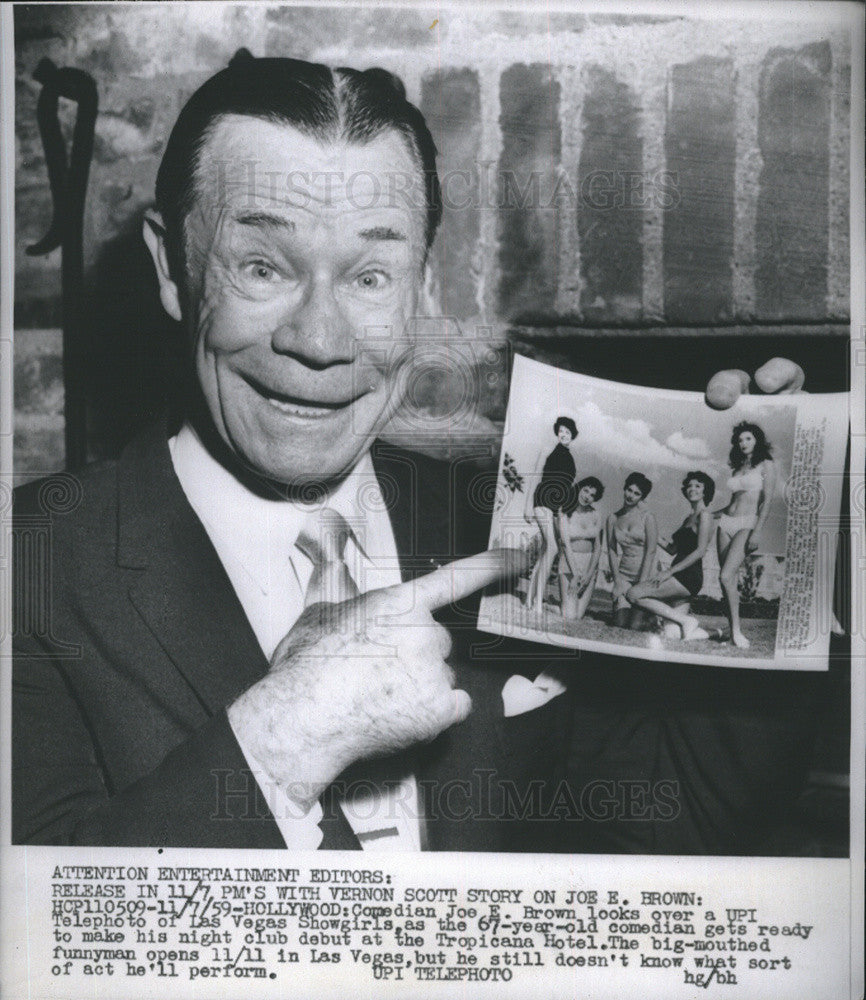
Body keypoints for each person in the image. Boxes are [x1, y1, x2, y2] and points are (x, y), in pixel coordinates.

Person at [12, 53, 817, 856]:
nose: (319, 343)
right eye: (262, 266)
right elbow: (38, 940)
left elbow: (679, 817)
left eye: (370, 277)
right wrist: (284, 739)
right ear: (171, 266)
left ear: (422, 287)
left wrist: (797, 545)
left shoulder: (499, 524)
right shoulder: (32, 562)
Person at [626, 471, 716, 641]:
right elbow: (673, 550)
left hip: (687, 576)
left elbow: (700, 551)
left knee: (633, 594)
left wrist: (669, 572)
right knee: (672, 634)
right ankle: (718, 633)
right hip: (680, 576)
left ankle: (687, 620)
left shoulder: (705, 515)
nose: (692, 489)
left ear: (705, 491)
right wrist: (651, 533)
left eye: (697, 486)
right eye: (689, 486)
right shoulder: (688, 518)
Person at [714, 422, 777, 648]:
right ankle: (732, 633)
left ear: (757, 440)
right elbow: (732, 503)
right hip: (726, 523)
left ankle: (738, 632)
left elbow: (767, 501)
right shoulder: (737, 468)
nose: (743, 443)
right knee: (726, 582)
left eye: (748, 439)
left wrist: (757, 531)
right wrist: (709, 514)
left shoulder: (766, 465)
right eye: (740, 440)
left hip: (747, 524)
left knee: (724, 575)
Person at [522, 417, 578, 614]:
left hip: (555, 507)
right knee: (552, 548)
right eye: (561, 431)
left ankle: (529, 599)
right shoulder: (548, 449)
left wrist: (562, 511)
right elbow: (536, 475)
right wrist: (528, 506)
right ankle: (537, 602)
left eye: (567, 432)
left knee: (547, 550)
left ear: (573, 435)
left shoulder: (570, 458)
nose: (563, 434)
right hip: (542, 498)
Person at [607, 472, 658, 630]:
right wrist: (617, 582)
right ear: (624, 489)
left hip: (646, 575)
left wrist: (642, 584)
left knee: (635, 626)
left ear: (642, 497)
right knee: (620, 624)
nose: (631, 495)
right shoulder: (612, 519)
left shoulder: (647, 517)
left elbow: (651, 551)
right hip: (624, 576)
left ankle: (653, 615)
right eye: (629, 490)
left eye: (637, 493)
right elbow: (611, 550)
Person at [557, 476, 605, 622]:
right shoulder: (564, 511)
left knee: (578, 616)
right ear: (579, 489)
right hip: (570, 563)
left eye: (592, 495)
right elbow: (565, 544)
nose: (587, 497)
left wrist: (590, 574)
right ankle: (556, 607)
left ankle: (561, 606)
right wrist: (575, 574)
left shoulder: (596, 514)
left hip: (589, 565)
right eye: (585, 491)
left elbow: (598, 547)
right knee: (570, 616)